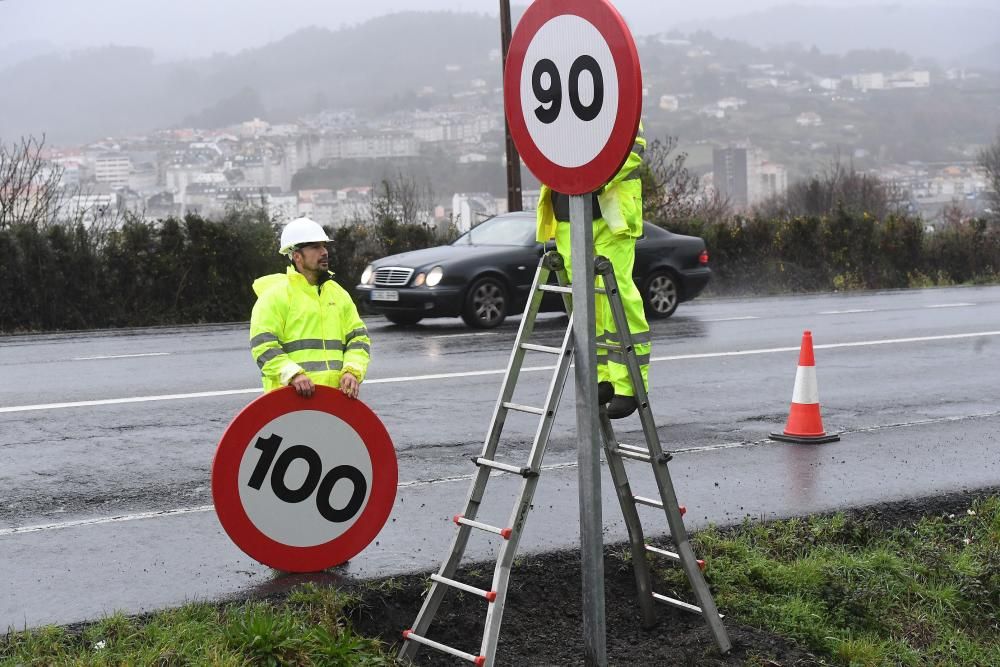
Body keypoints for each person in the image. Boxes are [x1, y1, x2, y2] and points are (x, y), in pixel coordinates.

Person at [536, 125, 649, 419]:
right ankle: (603, 378)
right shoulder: (558, 110)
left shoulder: (612, 100)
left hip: (610, 216)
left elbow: (632, 149)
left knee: (617, 296)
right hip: (568, 215)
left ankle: (629, 384)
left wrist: (593, 177)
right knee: (588, 303)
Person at [249, 217, 371, 398]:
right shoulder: (275, 295)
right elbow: (263, 346)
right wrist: (292, 374)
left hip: (334, 400)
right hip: (289, 402)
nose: (324, 252)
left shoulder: (338, 294)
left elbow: (358, 339)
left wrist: (351, 371)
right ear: (297, 256)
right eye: (315, 247)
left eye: (324, 246)